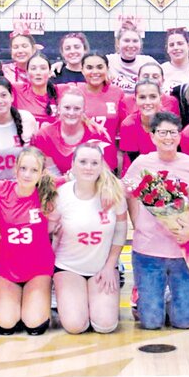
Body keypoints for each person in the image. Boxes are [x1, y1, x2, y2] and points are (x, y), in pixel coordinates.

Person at [123, 112, 189, 330]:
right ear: (152, 136)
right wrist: (138, 222)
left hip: (186, 251)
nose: (168, 137)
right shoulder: (141, 163)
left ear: (180, 136)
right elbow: (124, 193)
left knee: (183, 322)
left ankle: (173, 296)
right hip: (148, 252)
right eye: (162, 132)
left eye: (173, 132)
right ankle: (144, 300)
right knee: (151, 323)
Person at [53, 143, 128, 334]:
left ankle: (108, 285)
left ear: (101, 165)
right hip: (69, 267)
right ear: (73, 164)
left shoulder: (112, 191)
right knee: (75, 325)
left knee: (105, 325)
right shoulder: (61, 195)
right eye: (83, 162)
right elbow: (48, 231)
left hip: (102, 268)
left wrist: (111, 265)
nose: (88, 167)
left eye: (94, 163)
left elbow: (121, 229)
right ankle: (70, 295)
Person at [0, 147, 57, 335]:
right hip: (7, 268)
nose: (27, 174)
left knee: (34, 324)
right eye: (23, 168)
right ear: (15, 169)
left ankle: (37, 299)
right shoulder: (1, 189)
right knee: (6, 323)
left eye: (34, 170)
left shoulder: (48, 191)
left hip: (38, 269)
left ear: (42, 173)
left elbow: (84, 179)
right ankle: (14, 299)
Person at [31, 91, 116, 175]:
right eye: (67, 108)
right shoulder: (44, 135)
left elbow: (106, 175)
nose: (71, 113)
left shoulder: (99, 135)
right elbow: (51, 176)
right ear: (59, 108)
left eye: (77, 109)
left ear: (84, 110)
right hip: (57, 186)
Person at [118, 79, 164, 167]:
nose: (147, 102)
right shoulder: (128, 125)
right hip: (137, 170)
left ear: (160, 98)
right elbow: (134, 161)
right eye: (142, 97)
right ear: (135, 100)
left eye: (153, 97)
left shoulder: (169, 122)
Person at [108, 25, 156, 93]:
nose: (131, 45)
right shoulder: (108, 61)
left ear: (140, 44)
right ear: (118, 43)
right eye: (126, 41)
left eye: (135, 41)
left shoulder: (149, 62)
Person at [13, 52, 58, 121]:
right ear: (27, 73)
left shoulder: (60, 90)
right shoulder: (17, 89)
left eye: (43, 68)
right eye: (33, 68)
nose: (38, 72)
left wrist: (63, 64)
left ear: (50, 72)